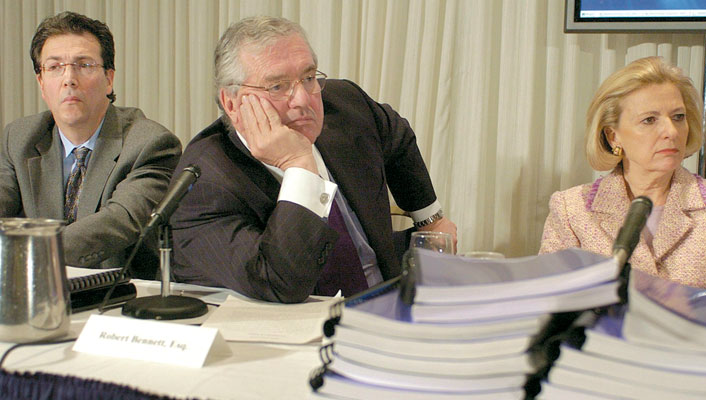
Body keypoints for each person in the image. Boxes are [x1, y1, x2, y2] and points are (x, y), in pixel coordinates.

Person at [170, 15, 457, 303]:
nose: (303, 100)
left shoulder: (344, 105)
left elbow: (396, 134)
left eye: (308, 78)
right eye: (277, 87)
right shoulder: (204, 183)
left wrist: (430, 219)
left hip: (390, 304)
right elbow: (281, 284)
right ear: (232, 103)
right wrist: (299, 165)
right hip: (300, 339)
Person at [539, 56, 706, 290]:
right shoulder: (572, 210)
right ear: (614, 136)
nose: (671, 131)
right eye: (649, 120)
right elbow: (548, 302)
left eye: (678, 117)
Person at [0, 11, 181, 279]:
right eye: (54, 67)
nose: (68, 79)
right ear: (41, 83)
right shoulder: (19, 138)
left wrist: (24, 256)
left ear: (109, 79)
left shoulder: (150, 144)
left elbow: (119, 220)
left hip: (121, 300)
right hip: (38, 294)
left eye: (84, 65)